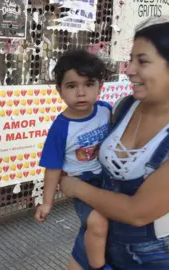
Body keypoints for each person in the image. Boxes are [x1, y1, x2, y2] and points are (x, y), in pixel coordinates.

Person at [60, 21, 169, 269]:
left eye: (142, 61)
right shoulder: (123, 107)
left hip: (149, 255)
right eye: (130, 60)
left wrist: (74, 186)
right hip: (97, 232)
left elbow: (136, 212)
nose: (129, 70)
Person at [34, 50, 112, 270]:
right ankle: (98, 267)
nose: (81, 93)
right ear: (59, 90)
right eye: (71, 86)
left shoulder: (106, 111)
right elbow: (52, 168)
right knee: (97, 224)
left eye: (88, 84)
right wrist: (47, 202)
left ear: (100, 87)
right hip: (83, 183)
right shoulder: (60, 128)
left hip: (109, 179)